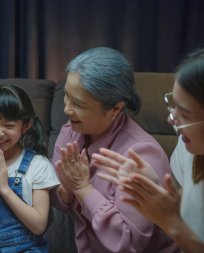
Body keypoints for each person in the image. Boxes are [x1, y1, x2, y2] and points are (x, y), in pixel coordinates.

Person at [51, 47, 178, 252]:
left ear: (115, 109)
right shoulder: (70, 131)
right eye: (67, 96)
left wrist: (83, 189)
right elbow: (58, 199)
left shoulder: (142, 155)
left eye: (78, 104)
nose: (67, 109)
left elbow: (128, 243)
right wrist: (66, 190)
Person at [92, 48, 204, 253]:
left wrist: (172, 224)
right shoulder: (188, 150)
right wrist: (154, 189)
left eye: (185, 114)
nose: (171, 119)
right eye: (173, 105)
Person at [0, 84, 59, 252]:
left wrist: (5, 189)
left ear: (26, 125)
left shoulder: (39, 166)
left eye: (8, 126)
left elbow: (39, 225)